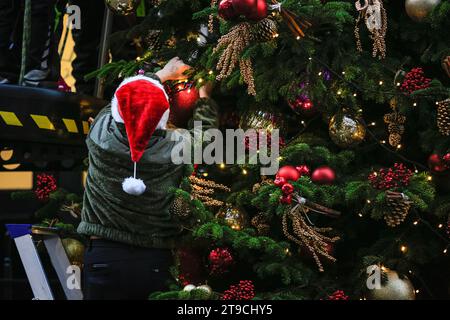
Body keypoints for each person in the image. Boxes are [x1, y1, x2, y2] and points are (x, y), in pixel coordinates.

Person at [78, 57, 218, 300]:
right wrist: (204, 95)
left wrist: (162, 74)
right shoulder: (177, 147)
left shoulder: (101, 135)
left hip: (103, 255)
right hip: (153, 262)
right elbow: (205, 135)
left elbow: (120, 98)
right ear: (164, 116)